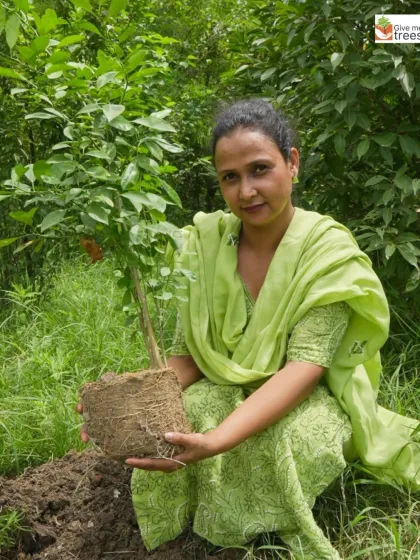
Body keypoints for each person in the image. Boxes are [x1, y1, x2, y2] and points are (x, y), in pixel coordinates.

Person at [77, 99, 420, 560]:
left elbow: (305, 367)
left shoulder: (326, 251)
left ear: (292, 162)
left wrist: (218, 440)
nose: (246, 192)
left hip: (309, 393)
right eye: (230, 178)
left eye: (260, 169)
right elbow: (191, 354)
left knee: (283, 444)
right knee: (181, 423)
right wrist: (124, 404)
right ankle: (186, 533)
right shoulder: (207, 243)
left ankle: (261, 534)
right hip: (224, 380)